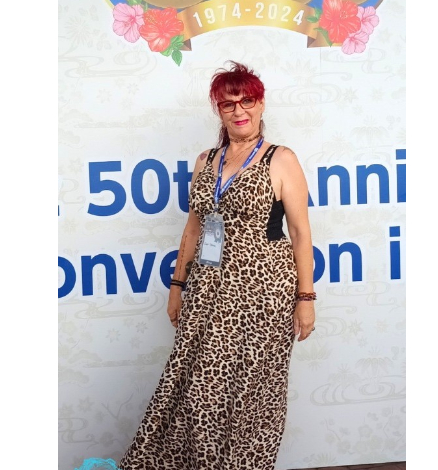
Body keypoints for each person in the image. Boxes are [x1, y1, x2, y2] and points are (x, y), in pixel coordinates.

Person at [119, 61, 315, 470]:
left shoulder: (281, 159)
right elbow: (194, 227)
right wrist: (177, 285)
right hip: (207, 287)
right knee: (196, 386)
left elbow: (300, 232)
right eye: (228, 104)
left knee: (252, 393)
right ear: (219, 110)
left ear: (261, 104)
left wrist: (306, 298)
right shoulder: (205, 161)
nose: (239, 110)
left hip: (264, 291)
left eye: (247, 101)